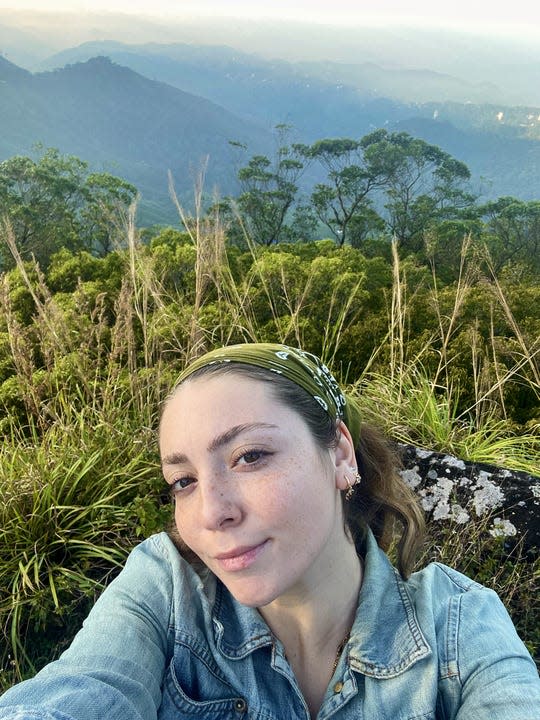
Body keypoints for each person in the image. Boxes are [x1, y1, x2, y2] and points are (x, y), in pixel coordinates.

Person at [0, 342, 539, 720]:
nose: (212, 513)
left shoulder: (459, 624)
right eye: (183, 480)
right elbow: (85, 689)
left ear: (340, 453)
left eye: (250, 456)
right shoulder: (167, 590)